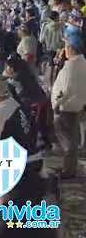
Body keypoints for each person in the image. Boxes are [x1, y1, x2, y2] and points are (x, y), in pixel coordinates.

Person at [51, 33, 86, 179]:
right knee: (71, 138)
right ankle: (69, 168)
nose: (64, 49)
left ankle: (69, 171)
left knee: (68, 141)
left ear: (71, 48)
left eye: (65, 46)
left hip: (66, 107)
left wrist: (56, 104)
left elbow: (65, 90)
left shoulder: (72, 66)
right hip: (77, 105)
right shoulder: (82, 62)